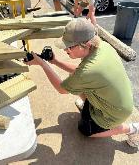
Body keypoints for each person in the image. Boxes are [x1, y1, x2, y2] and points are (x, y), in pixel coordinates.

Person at [24, 18, 139, 147]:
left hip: (115, 113)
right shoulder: (102, 46)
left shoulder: (89, 70)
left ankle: (131, 128)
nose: (65, 50)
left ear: (85, 44)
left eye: (69, 46)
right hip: (116, 99)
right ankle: (88, 105)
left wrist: (42, 63)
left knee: (85, 130)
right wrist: (55, 61)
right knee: (75, 78)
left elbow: (61, 89)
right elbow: (79, 73)